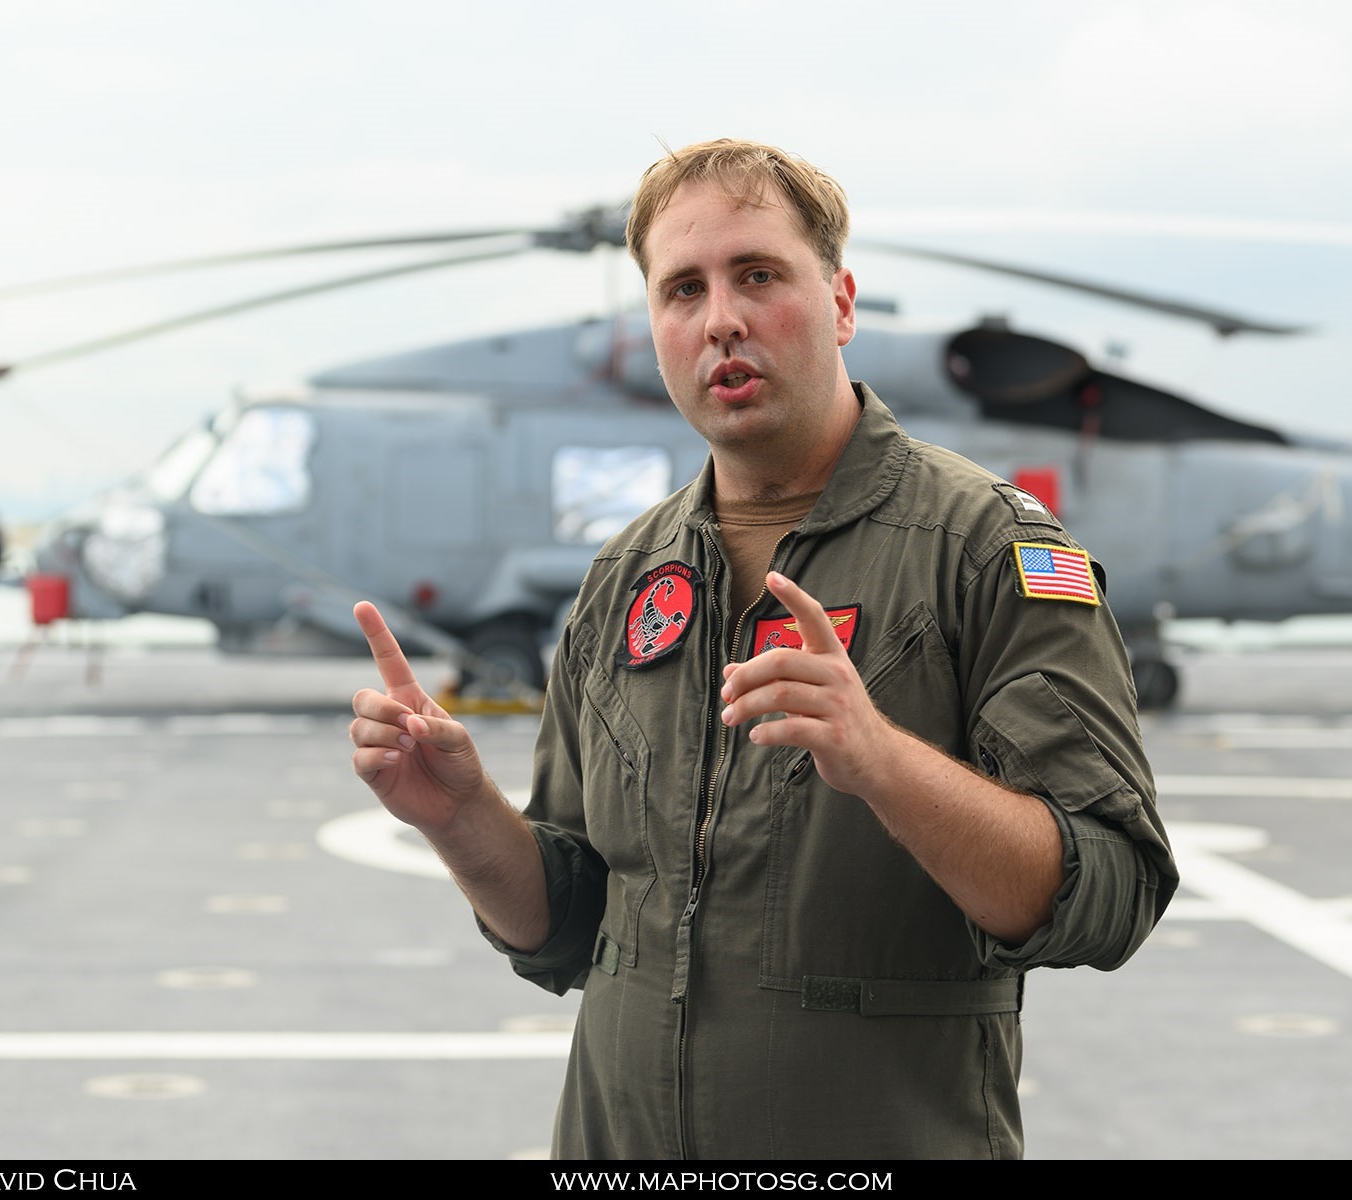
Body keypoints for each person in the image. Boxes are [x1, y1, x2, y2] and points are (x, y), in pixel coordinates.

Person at [349, 138, 1177, 1160]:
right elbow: (566, 927)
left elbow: (1111, 892)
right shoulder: (624, 579)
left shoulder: (989, 551)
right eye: (681, 290)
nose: (721, 320)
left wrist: (882, 763)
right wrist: (460, 817)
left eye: (758, 276)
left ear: (839, 303)